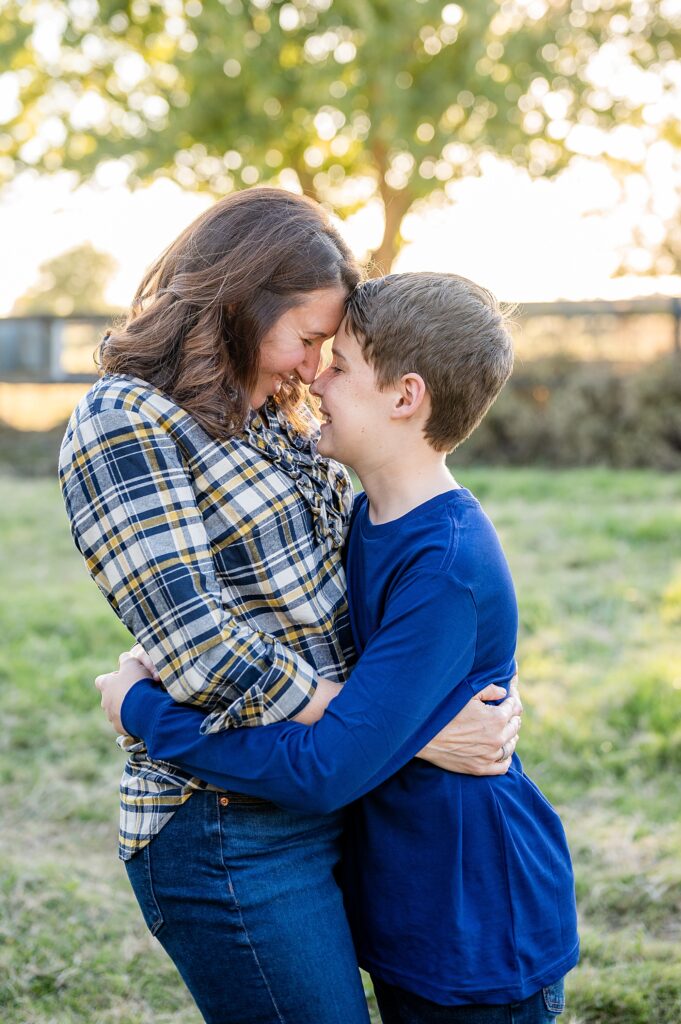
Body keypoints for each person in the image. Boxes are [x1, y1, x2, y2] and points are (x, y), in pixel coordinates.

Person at [59, 190, 521, 1024]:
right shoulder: (124, 418)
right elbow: (198, 642)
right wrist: (401, 732)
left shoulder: (267, 409)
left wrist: (419, 701)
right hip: (228, 822)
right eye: (309, 340)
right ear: (241, 303)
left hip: (338, 795)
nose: (314, 367)